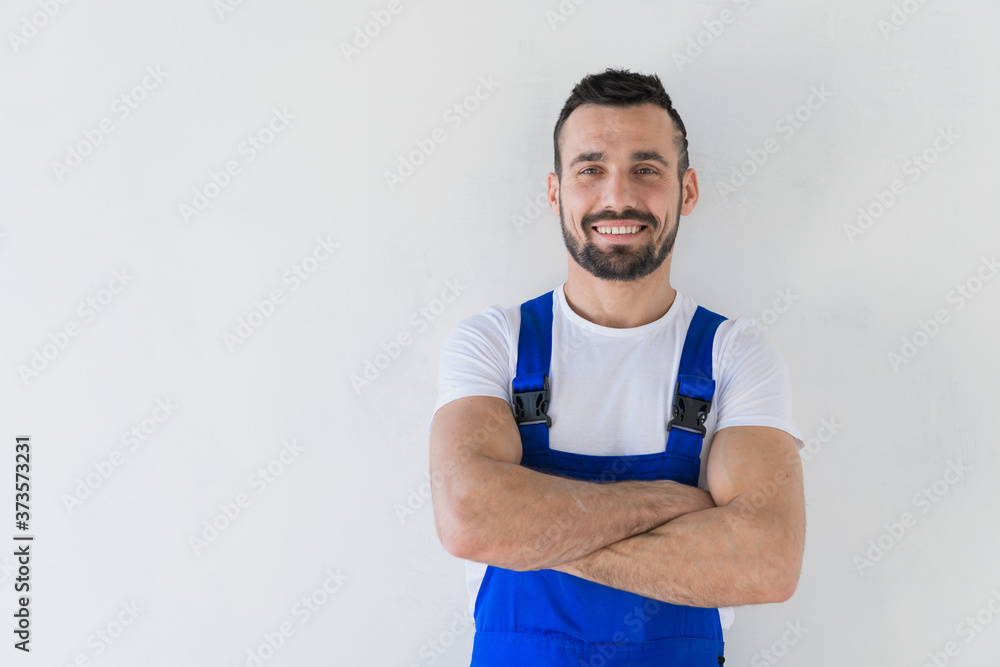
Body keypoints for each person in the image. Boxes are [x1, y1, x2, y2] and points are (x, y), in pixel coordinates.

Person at [428, 67, 806, 666]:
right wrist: (671, 505)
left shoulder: (736, 355)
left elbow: (767, 561)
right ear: (556, 192)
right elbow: (469, 518)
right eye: (591, 169)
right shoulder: (493, 343)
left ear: (687, 190)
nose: (617, 196)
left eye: (646, 169)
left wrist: (529, 530)